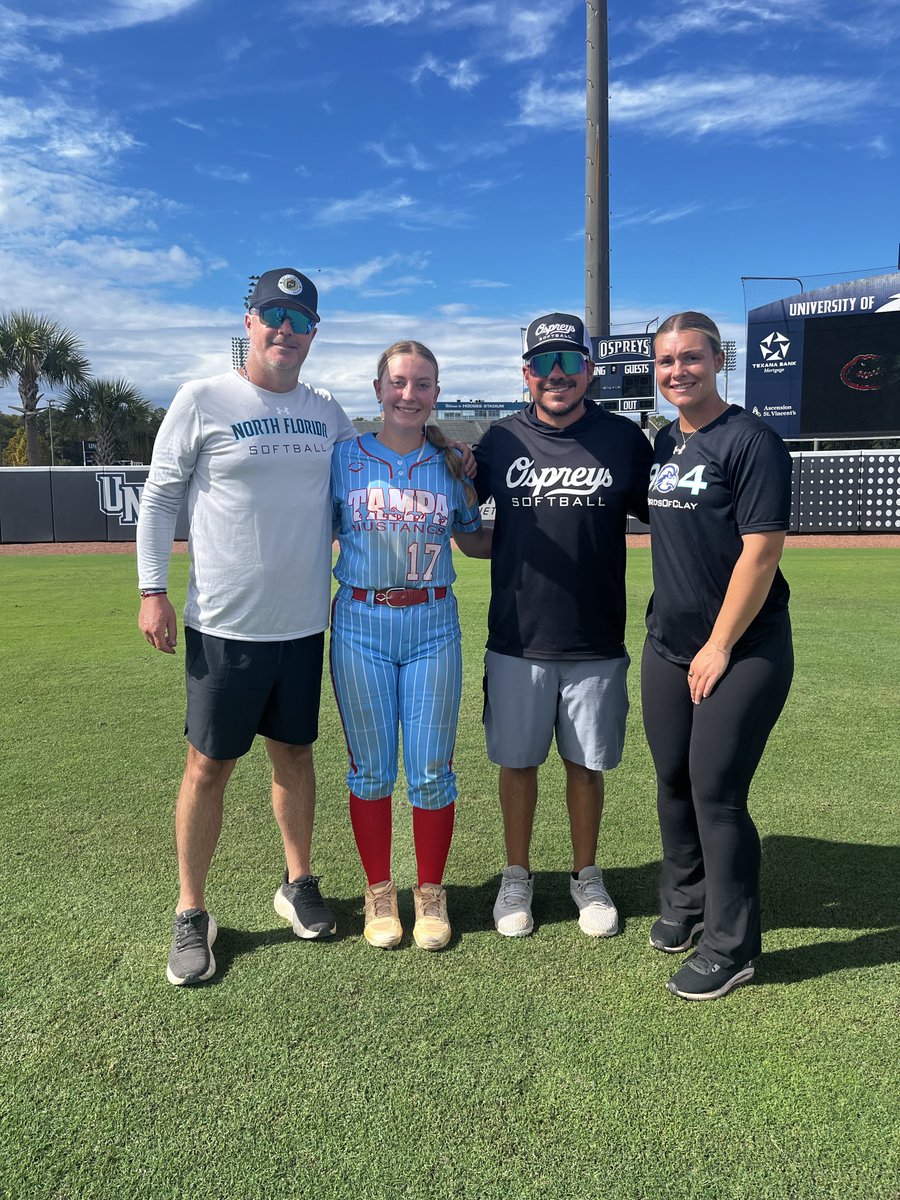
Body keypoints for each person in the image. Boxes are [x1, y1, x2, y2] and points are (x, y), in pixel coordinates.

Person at [137, 267, 355, 986]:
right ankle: (192, 913)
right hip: (224, 626)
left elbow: (365, 486)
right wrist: (152, 592)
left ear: (313, 332)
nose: (286, 330)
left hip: (302, 624)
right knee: (209, 766)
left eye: (299, 320)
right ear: (250, 322)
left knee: (294, 756)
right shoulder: (204, 398)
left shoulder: (327, 412)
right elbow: (161, 495)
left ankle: (298, 883)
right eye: (273, 316)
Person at [473, 312, 653, 938]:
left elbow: (672, 516)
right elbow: (476, 540)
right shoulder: (499, 442)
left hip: (596, 637)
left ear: (589, 371)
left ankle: (586, 875)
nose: (557, 376)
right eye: (544, 364)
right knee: (518, 764)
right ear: (526, 374)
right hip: (518, 635)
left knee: (586, 766)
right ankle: (516, 875)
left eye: (570, 363)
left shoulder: (626, 441)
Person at [642, 311, 793, 1001]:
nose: (679, 371)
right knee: (672, 778)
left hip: (744, 647)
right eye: (667, 361)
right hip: (669, 645)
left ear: (719, 360)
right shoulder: (665, 441)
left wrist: (720, 644)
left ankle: (732, 948)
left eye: (692, 358)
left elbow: (761, 553)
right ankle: (687, 901)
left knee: (716, 792)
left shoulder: (751, 439)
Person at [330, 340, 491, 951]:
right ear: (378, 389)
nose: (408, 394)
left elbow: (474, 542)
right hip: (361, 622)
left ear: (436, 394)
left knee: (429, 771)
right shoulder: (343, 460)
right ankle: (379, 893)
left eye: (422, 384)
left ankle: (430, 892)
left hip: (432, 626)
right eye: (398, 382)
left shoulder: (450, 465)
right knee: (371, 770)